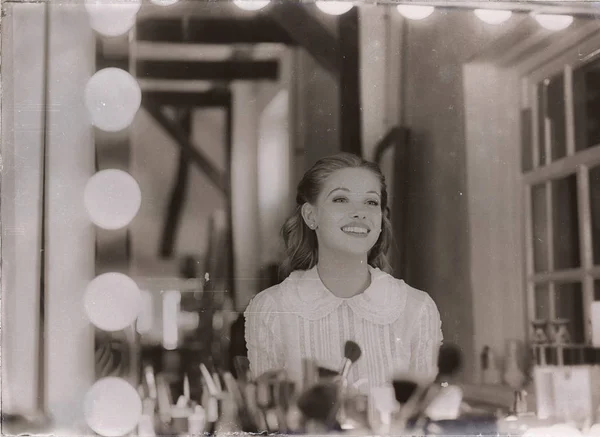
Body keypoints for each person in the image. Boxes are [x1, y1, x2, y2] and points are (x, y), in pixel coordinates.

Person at [244, 152, 443, 393]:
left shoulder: (417, 308)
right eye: (341, 199)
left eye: (371, 202)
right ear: (310, 215)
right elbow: (269, 422)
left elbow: (424, 421)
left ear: (381, 219)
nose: (360, 213)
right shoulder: (271, 308)